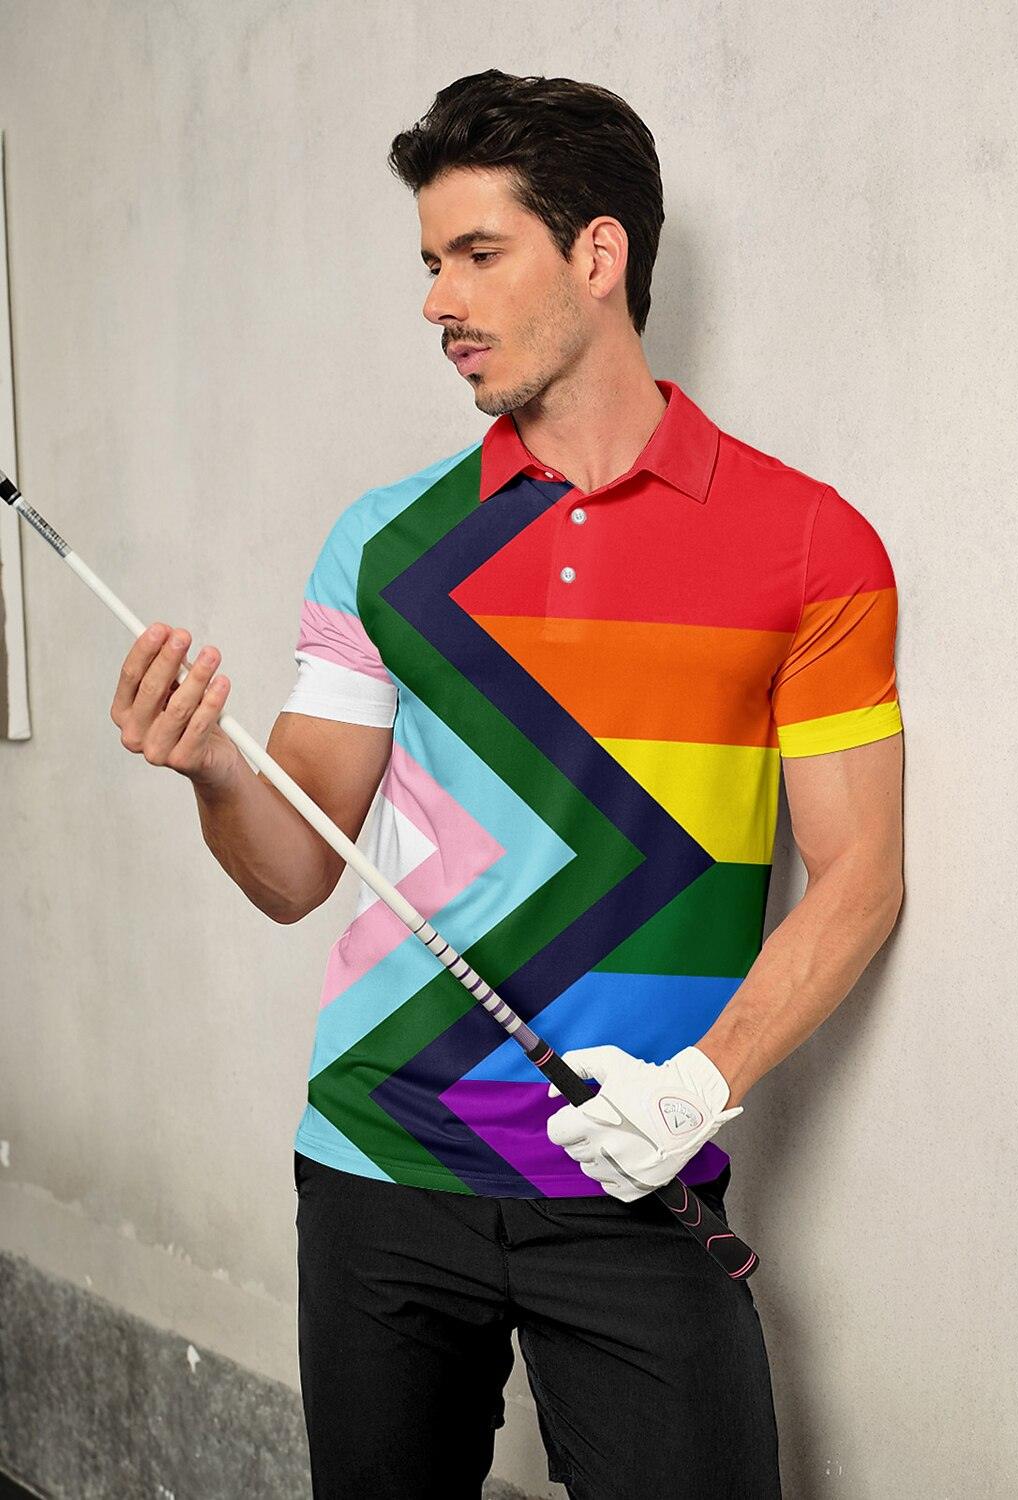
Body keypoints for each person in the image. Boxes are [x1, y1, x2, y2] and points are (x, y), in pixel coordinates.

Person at [108, 69, 905, 1500]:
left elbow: (861, 876)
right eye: (430, 262)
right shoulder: (385, 543)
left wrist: (701, 1087)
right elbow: (295, 871)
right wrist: (215, 768)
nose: (438, 301)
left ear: (598, 254)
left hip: (632, 1172)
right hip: (379, 1161)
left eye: (477, 254)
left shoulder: (807, 544)